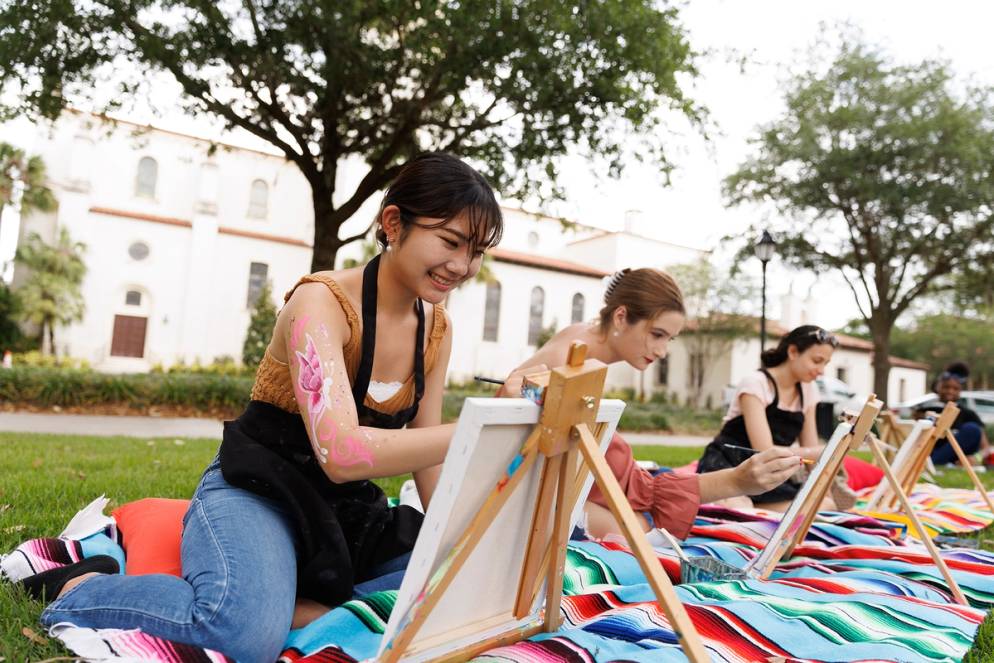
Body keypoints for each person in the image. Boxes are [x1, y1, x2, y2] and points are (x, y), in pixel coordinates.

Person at [11, 152, 503, 663]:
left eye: (477, 252)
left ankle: (288, 602)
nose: (463, 266)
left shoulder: (436, 329)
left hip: (346, 513)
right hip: (256, 492)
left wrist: (462, 535)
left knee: (466, 586)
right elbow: (343, 452)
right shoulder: (322, 304)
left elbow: (427, 456)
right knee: (240, 636)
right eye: (450, 242)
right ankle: (85, 588)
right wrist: (469, 429)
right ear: (394, 222)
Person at [501, 268, 806, 539]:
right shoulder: (575, 362)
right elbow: (591, 473)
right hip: (522, 494)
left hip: (557, 481)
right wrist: (731, 482)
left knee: (646, 521)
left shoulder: (581, 339)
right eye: (657, 335)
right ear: (621, 317)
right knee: (639, 534)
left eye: (669, 340)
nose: (661, 351)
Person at [696, 325, 838, 512]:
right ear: (793, 352)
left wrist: (822, 491)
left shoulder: (808, 390)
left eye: (825, 364)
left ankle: (758, 509)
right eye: (816, 361)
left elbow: (811, 453)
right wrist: (820, 451)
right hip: (730, 467)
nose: (821, 371)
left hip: (768, 475)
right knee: (739, 508)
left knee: (826, 506)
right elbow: (764, 451)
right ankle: (746, 507)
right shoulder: (756, 384)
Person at [918, 363, 990, 465]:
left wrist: (975, 458)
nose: (950, 391)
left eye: (955, 388)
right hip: (930, 453)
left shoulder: (968, 414)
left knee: (972, 428)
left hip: (957, 460)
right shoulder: (925, 410)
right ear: (938, 387)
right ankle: (931, 461)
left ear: (960, 391)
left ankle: (933, 462)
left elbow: (986, 448)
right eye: (946, 387)